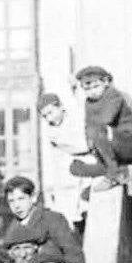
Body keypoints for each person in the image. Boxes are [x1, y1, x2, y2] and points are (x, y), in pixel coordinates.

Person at [0, 176, 95, 263]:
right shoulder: (12, 228)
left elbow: (72, 252)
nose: (16, 205)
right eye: (11, 201)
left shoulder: (52, 220)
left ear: (33, 197)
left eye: (21, 199)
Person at [73, 65, 132, 190]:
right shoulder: (89, 103)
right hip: (114, 142)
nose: (92, 92)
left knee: (98, 134)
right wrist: (90, 142)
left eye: (96, 86)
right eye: (87, 89)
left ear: (105, 82)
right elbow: (88, 124)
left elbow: (107, 118)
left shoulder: (113, 95)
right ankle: (116, 171)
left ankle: (114, 174)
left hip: (131, 140)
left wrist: (94, 133)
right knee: (94, 139)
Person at [38, 93, 93, 231]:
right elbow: (50, 162)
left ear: (61, 107)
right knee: (70, 219)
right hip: (65, 179)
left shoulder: (76, 120)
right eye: (45, 116)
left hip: (86, 172)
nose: (49, 118)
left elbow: (84, 145)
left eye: (51, 112)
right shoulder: (51, 132)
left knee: (87, 212)